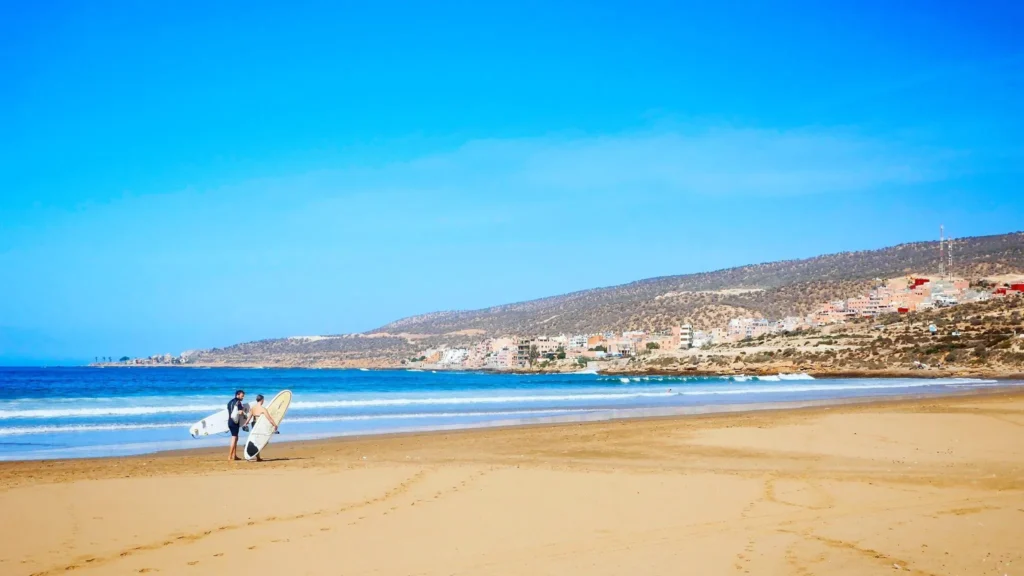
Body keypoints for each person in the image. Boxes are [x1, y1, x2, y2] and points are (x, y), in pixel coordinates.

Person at [244, 394, 278, 462]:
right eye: (263, 400)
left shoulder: (253, 408)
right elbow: (269, 419)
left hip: (254, 424)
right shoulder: (263, 409)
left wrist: (246, 423)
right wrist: (275, 425)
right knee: (263, 441)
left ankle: (258, 457)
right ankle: (257, 455)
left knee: (256, 440)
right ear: (262, 400)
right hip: (260, 426)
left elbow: (249, 417)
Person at [226, 389, 248, 461]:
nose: (243, 398)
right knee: (234, 438)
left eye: (243, 396)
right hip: (235, 422)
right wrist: (245, 415)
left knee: (236, 438)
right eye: (242, 396)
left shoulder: (230, 402)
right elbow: (240, 412)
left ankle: (234, 455)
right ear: (237, 395)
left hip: (230, 421)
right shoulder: (238, 403)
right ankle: (229, 456)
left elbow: (229, 411)